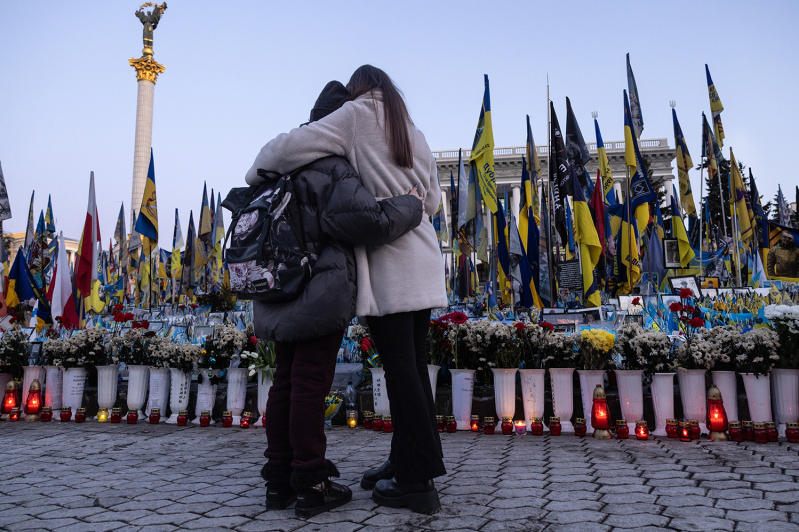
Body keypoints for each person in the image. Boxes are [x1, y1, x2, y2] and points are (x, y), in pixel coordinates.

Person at [247, 65, 447, 515]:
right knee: (413, 368)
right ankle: (405, 461)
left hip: (389, 266)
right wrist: (405, 198)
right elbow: (430, 202)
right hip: (424, 261)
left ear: (357, 91)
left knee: (401, 372)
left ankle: (418, 482)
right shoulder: (411, 129)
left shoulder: (355, 116)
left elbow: (281, 150)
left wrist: (256, 169)